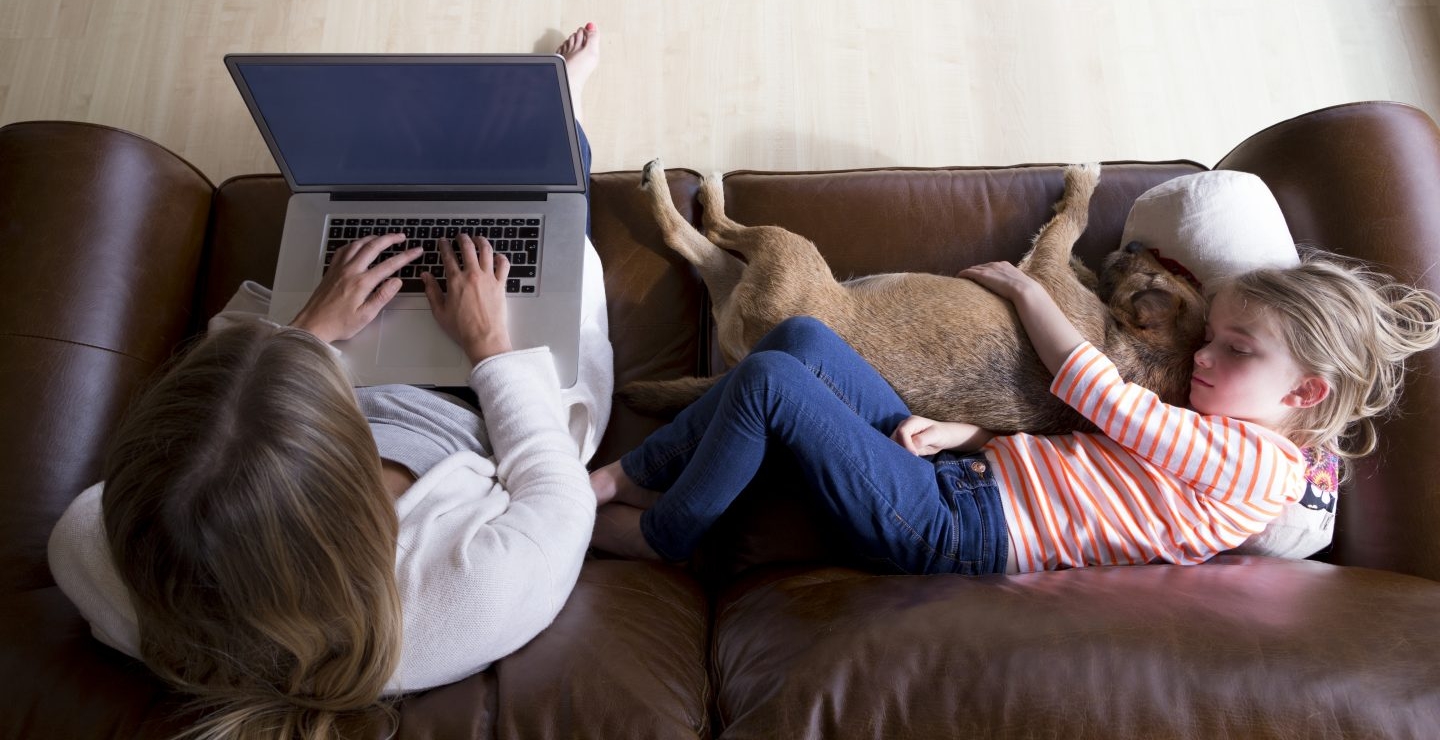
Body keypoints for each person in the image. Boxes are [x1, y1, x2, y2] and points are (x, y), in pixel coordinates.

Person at [47, 24, 611, 740]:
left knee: (360, 214)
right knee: (545, 212)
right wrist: (491, 347)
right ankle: (562, 110)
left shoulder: (98, 556)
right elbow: (558, 493)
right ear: (343, 509)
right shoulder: (457, 602)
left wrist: (308, 332)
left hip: (348, 368)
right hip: (479, 406)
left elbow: (135, 495)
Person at [590, 250, 1440, 575]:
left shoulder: (1262, 465)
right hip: (963, 474)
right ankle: (624, 478)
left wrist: (1032, 291)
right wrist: (979, 433)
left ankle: (662, 530)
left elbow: (1101, 397)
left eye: (1236, 350)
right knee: (803, 340)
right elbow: (1088, 463)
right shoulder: (1215, 437)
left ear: (1305, 394)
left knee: (772, 388)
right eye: (1209, 338)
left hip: (955, 529)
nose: (1202, 359)